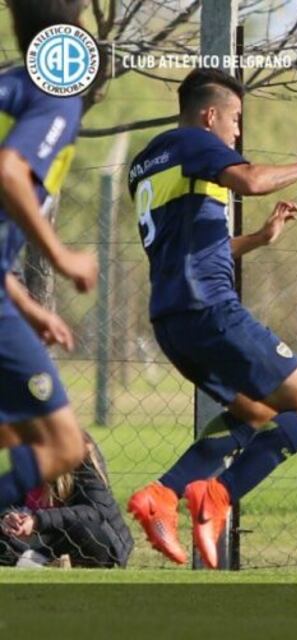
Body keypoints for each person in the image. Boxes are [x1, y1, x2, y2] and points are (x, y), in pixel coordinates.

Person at [125, 67, 297, 569]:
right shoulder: (194, 142)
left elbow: (193, 249)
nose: (236, 133)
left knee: (254, 414)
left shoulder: (147, 163)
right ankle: (218, 495)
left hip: (172, 321)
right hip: (211, 310)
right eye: (235, 120)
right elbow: (249, 180)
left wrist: (260, 240)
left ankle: (162, 494)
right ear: (209, 116)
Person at [0, 0, 99, 517]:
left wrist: (31, 309)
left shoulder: (12, 88)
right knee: (62, 445)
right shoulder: (55, 97)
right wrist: (62, 257)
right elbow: (9, 170)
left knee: (18, 428)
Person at [0, 431, 133, 568]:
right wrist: (8, 519)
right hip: (31, 538)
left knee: (85, 530)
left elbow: (95, 511)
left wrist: (38, 521)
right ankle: (36, 562)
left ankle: (36, 560)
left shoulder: (80, 448)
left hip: (79, 537)